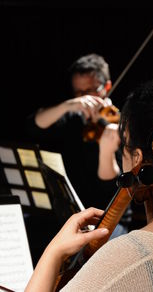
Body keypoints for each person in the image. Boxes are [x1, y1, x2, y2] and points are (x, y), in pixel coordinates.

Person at [25, 69, 153, 291]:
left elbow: (107, 183)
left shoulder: (123, 260)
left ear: (137, 158)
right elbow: (34, 124)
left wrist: (54, 251)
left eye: (125, 141)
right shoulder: (74, 120)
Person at [26, 53, 132, 235]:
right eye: (78, 93)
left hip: (108, 216)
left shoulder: (120, 125)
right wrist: (68, 105)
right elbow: (33, 126)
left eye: (90, 91)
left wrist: (106, 151)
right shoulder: (72, 117)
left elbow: (111, 187)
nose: (84, 98)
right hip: (72, 212)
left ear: (106, 87)